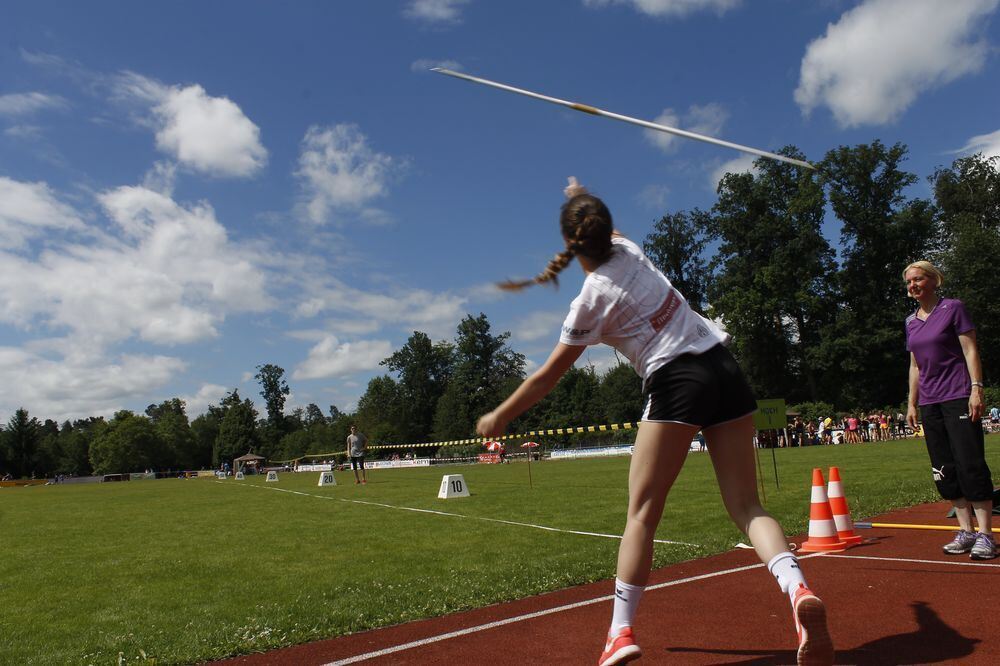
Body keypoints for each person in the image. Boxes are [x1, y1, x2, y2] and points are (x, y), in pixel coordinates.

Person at [476, 178, 833, 666]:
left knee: (642, 512)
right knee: (748, 505)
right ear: (605, 231)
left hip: (677, 379)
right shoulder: (628, 250)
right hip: (724, 368)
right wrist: (579, 195)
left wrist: (500, 414)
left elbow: (546, 378)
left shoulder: (590, 298)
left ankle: (620, 634)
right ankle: (798, 591)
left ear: (570, 244)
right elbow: (605, 227)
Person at [903, 261, 995, 560]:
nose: (912, 286)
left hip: (957, 395)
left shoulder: (953, 308)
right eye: (908, 282)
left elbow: (970, 349)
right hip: (930, 403)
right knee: (943, 467)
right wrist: (911, 403)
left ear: (933, 280)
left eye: (917, 279)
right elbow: (915, 365)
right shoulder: (911, 322)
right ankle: (966, 531)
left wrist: (976, 388)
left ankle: (985, 535)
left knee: (970, 462)